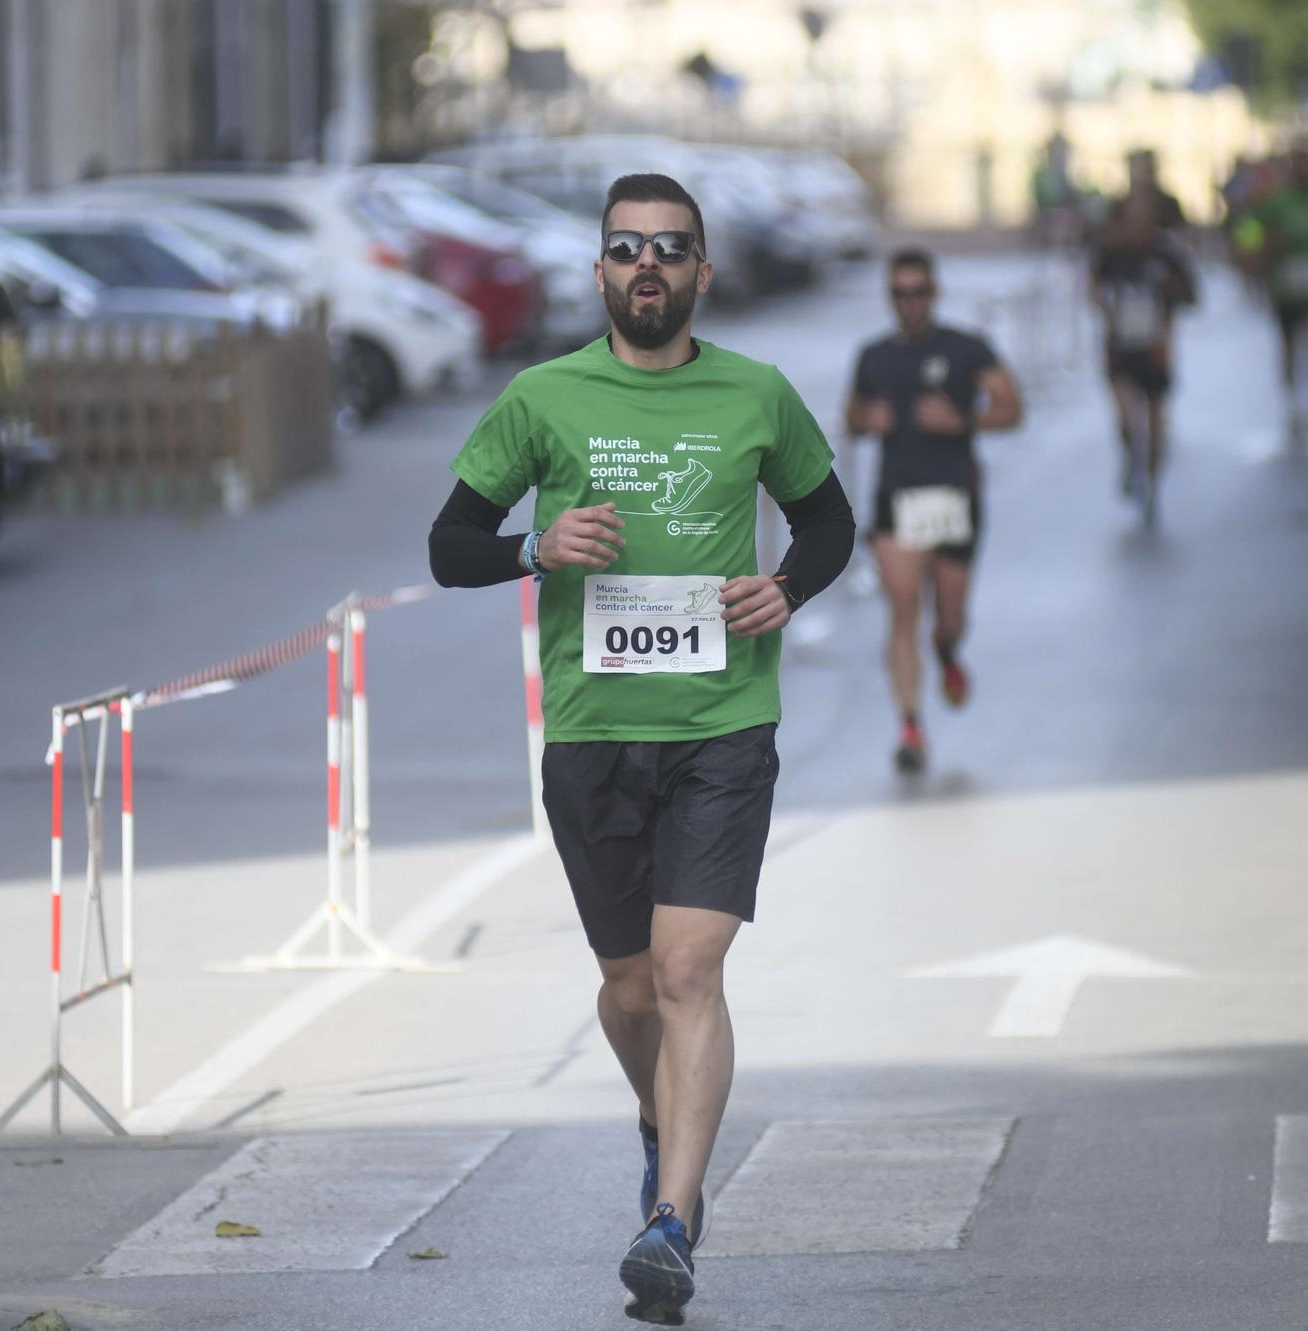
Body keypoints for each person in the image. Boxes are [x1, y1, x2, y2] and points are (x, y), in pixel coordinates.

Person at [426, 172, 855, 1324]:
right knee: (626, 992)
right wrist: (534, 545)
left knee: (685, 970)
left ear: (702, 274)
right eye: (627, 249)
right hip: (592, 731)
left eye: (671, 247)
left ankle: (671, 1218)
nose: (648, 265)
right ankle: (661, 1116)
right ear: (603, 272)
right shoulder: (542, 395)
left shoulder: (756, 392)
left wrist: (784, 589)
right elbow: (447, 544)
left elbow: (827, 520)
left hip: (722, 722)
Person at [845, 250, 1023, 775]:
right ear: (889, 297)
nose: (910, 303)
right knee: (902, 615)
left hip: (954, 500)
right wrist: (866, 419)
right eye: (900, 293)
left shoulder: (967, 348)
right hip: (897, 502)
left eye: (919, 291)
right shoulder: (873, 355)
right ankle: (910, 726)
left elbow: (1013, 408)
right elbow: (851, 415)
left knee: (948, 620)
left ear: (935, 292)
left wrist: (962, 420)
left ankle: (947, 653)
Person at [1091, 193, 1198, 514]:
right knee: (1125, 417)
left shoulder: (1167, 255)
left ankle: (1152, 484)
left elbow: (1191, 296)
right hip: (1120, 348)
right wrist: (1107, 311)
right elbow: (1092, 288)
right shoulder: (1110, 252)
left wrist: (1169, 307)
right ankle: (1130, 458)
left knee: (1155, 422)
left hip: (1155, 349)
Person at [1254, 140, 1308, 444]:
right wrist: (1264, 252)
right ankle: (1292, 406)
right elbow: (1252, 233)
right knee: (1289, 349)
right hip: (1286, 287)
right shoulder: (1276, 200)